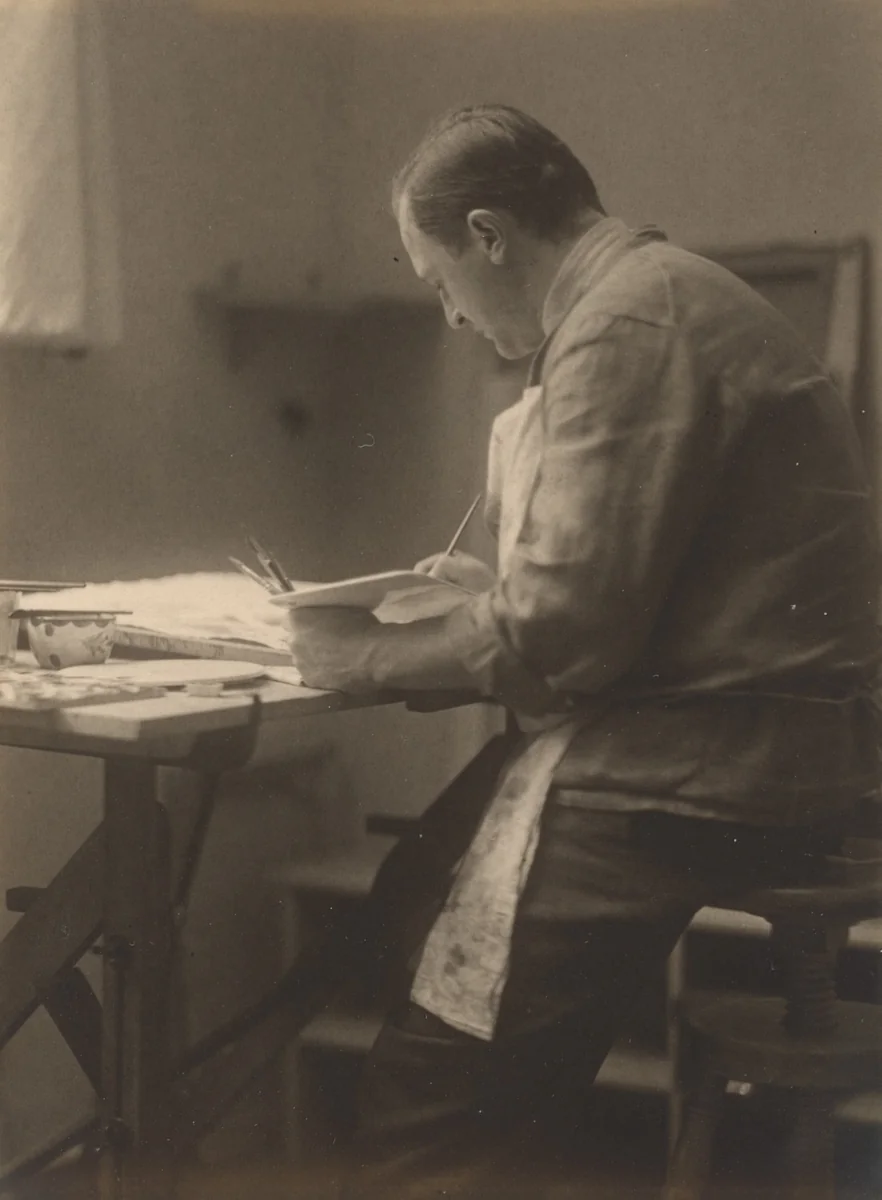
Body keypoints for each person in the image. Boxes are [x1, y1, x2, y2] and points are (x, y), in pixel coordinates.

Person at [287, 104, 881, 1197]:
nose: (453, 318)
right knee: (417, 883)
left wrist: (353, 660)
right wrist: (491, 598)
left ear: (490, 235)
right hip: (739, 740)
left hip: (709, 766)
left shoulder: (626, 324)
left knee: (425, 1112)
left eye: (438, 281)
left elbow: (565, 633)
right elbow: (636, 588)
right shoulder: (660, 298)